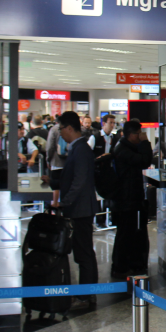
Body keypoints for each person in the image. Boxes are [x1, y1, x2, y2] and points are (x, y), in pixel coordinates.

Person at [53, 112, 98, 310]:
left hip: (81, 209)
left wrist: (65, 201)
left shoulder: (80, 150)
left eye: (61, 129)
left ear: (70, 128)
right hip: (80, 208)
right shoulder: (77, 148)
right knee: (82, 251)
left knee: (84, 252)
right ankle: (85, 294)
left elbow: (79, 181)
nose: (60, 133)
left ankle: (85, 296)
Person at [109, 119, 153, 278]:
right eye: (139, 134)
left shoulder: (123, 147)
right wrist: (146, 143)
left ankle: (129, 264)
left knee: (129, 233)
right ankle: (120, 267)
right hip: (126, 200)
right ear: (131, 135)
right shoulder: (123, 150)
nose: (140, 136)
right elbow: (145, 160)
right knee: (125, 234)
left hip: (129, 199)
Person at [45, 122, 67, 207]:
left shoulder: (54, 129)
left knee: (55, 186)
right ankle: (64, 206)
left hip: (56, 162)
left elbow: (50, 147)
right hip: (68, 163)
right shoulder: (71, 129)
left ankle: (54, 205)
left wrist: (48, 159)